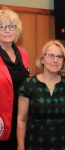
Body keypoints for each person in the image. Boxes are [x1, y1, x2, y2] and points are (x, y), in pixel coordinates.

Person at [17, 40, 65, 150]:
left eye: (59, 57)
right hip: (35, 144)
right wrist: (20, 147)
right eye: (50, 56)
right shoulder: (28, 85)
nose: (55, 60)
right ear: (42, 59)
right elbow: (22, 119)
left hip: (64, 144)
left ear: (63, 61)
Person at [0, 7, 31, 150]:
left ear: (17, 29)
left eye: (11, 26)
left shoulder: (23, 53)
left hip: (22, 116)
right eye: (2, 26)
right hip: (1, 119)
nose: (7, 30)